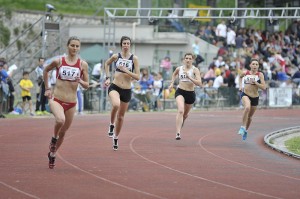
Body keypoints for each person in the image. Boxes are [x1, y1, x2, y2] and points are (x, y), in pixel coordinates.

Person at [43, 36, 89, 169]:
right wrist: (47, 88)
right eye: (72, 45)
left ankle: (52, 153)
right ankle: (53, 139)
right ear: (67, 46)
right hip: (56, 98)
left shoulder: (82, 64)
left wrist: (80, 81)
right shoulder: (59, 61)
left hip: (71, 103)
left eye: (77, 46)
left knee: (63, 132)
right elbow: (46, 70)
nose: (74, 48)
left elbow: (87, 85)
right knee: (60, 120)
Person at [104, 36, 140, 151]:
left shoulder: (134, 58)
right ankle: (111, 124)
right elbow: (106, 64)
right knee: (115, 104)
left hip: (127, 90)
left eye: (128, 43)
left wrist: (126, 71)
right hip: (115, 86)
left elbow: (138, 76)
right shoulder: (116, 56)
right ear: (121, 45)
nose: (126, 45)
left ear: (130, 45)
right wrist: (107, 77)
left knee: (121, 117)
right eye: (124, 43)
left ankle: (116, 137)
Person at [168, 52, 202, 140]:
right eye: (186, 58)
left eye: (190, 59)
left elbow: (199, 83)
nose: (188, 60)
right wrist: (172, 83)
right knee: (180, 111)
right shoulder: (179, 69)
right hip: (180, 91)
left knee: (185, 115)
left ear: (192, 60)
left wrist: (189, 77)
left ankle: (181, 123)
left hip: (190, 94)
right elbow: (174, 74)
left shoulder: (195, 70)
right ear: (184, 59)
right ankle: (178, 133)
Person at [238, 58, 266, 140]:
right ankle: (242, 127)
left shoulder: (259, 75)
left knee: (249, 117)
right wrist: (240, 86)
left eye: (256, 64)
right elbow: (240, 77)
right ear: (250, 65)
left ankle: (245, 130)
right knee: (247, 107)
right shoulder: (245, 73)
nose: (255, 66)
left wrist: (256, 83)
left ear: (258, 66)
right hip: (245, 94)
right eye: (253, 64)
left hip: (255, 97)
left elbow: (264, 87)